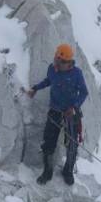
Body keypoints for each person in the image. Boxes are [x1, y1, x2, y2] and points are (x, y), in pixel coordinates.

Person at [27, 44, 88, 186]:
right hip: (55, 110)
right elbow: (49, 80)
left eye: (59, 60)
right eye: (56, 58)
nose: (56, 62)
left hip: (71, 113)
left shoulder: (76, 74)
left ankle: (68, 171)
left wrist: (74, 107)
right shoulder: (52, 69)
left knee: (72, 145)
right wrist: (36, 88)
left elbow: (84, 92)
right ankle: (47, 171)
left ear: (67, 62)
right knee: (48, 142)